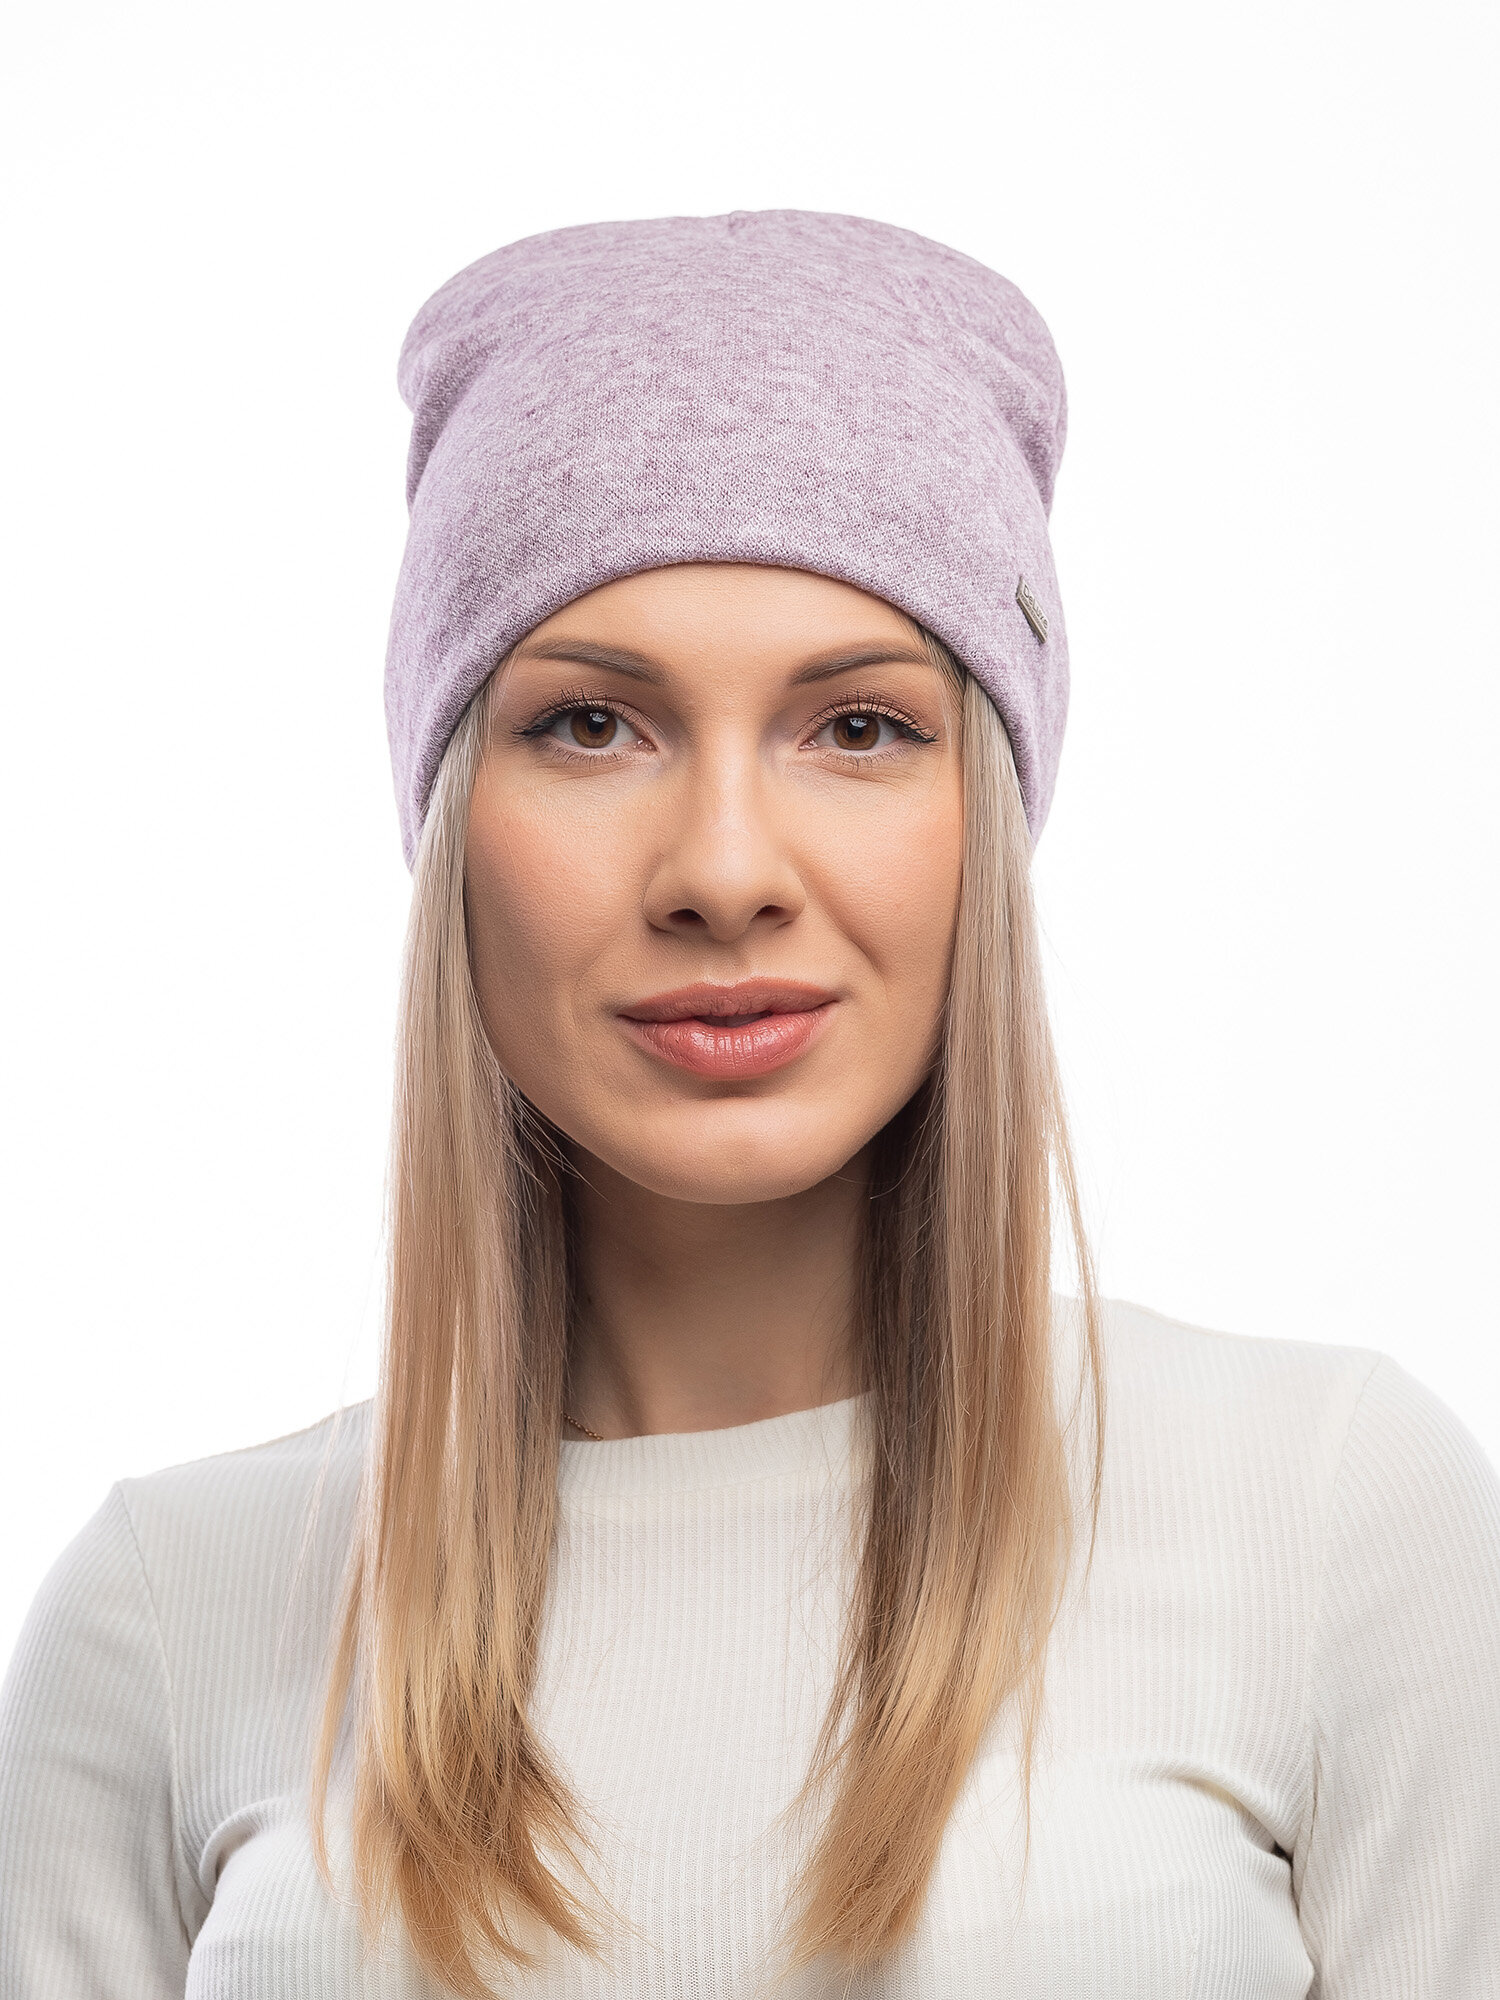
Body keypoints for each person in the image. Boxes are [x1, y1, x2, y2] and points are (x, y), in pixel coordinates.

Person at [1, 210, 1497, 2000]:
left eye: (859, 728)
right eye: (590, 726)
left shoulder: (1331, 1511)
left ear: (987, 823)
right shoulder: (168, 1613)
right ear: (453, 826)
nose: (724, 871)